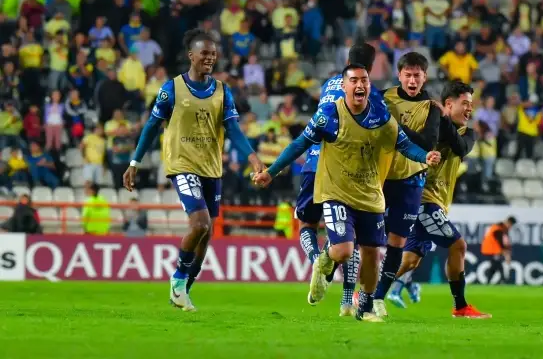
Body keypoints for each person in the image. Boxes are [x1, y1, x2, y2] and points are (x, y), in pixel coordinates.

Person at [253, 64, 441, 322]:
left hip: (370, 194)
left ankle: (363, 310)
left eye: (364, 80)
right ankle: (323, 260)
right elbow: (299, 144)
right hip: (336, 192)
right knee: (342, 251)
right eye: (354, 81)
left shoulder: (381, 116)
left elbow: (404, 145)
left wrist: (425, 157)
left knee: (373, 256)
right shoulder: (329, 115)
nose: (360, 85)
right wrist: (271, 172)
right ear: (344, 87)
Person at [123, 29, 264, 312]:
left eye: (213, 54)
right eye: (204, 53)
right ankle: (177, 280)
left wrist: (252, 158)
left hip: (211, 167)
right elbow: (151, 127)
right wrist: (134, 163)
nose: (210, 58)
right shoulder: (171, 89)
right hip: (182, 164)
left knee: (208, 232)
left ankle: (184, 289)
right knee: (199, 224)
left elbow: (233, 128)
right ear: (191, 56)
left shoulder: (223, 91)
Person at [390, 81, 491, 318]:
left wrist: (442, 117)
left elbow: (460, 148)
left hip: (438, 202)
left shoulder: (467, 133)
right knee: (458, 245)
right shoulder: (430, 125)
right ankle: (460, 306)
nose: (470, 109)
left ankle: (364, 290)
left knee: (410, 261)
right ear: (449, 103)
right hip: (424, 200)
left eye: (471, 104)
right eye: (465, 103)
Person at [295, 43, 382, 316]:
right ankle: (346, 300)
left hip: (313, 161)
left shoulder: (330, 84)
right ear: (368, 69)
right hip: (344, 167)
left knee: (308, 223)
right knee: (351, 236)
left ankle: (317, 263)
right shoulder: (368, 93)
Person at [372, 51, 441, 316]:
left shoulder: (432, 108)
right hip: (380, 177)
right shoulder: (381, 97)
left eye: (417, 75)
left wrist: (393, 126)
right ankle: (358, 292)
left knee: (397, 242)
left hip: (412, 180)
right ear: (399, 75)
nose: (412, 80)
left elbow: (427, 143)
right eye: (408, 75)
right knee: (366, 238)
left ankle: (379, 296)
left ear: (425, 77)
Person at [480, 216, 517, 283]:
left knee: (494, 265)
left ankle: (488, 282)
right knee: (498, 264)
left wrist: (507, 250)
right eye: (511, 225)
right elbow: (500, 240)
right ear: (508, 222)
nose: (510, 227)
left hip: (494, 249)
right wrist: (505, 251)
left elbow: (505, 241)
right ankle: (503, 279)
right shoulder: (498, 228)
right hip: (491, 249)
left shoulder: (502, 228)